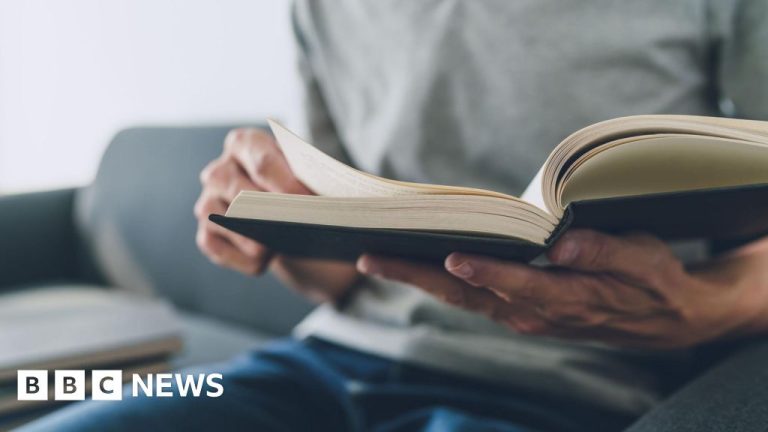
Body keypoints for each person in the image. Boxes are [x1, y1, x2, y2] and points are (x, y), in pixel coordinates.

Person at [21, 1, 768, 431]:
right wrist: (261, 223)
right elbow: (345, 272)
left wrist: (715, 306)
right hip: (318, 363)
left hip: (568, 392)